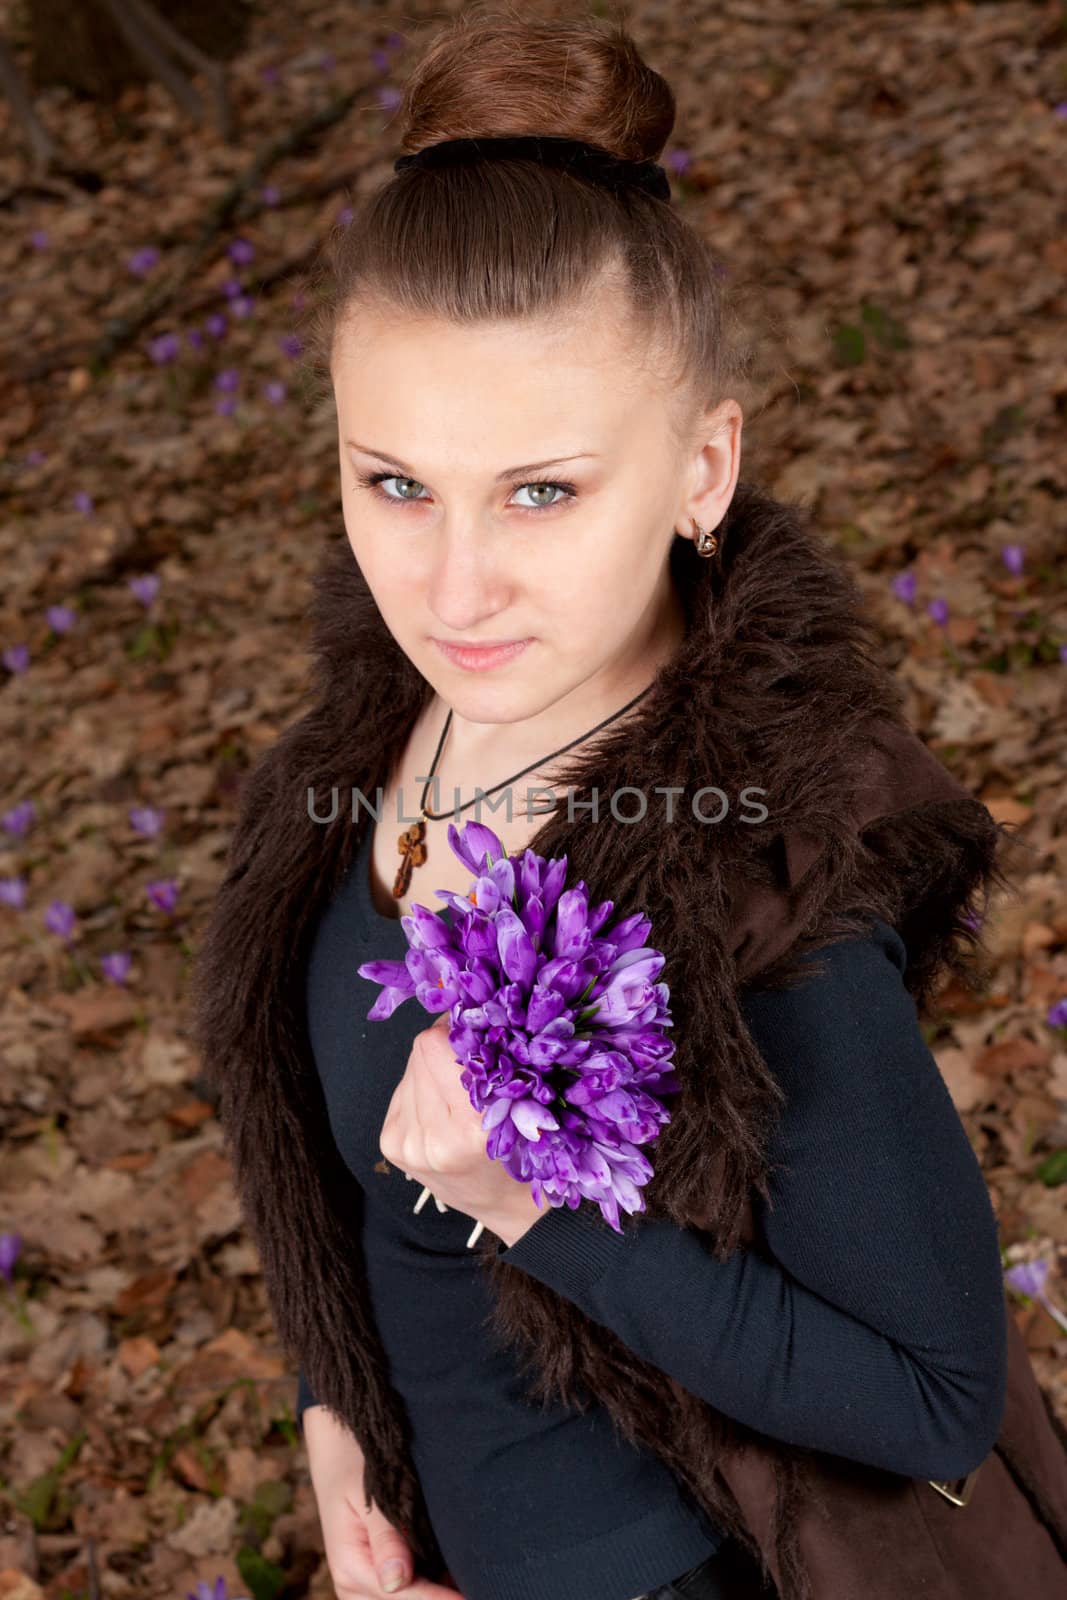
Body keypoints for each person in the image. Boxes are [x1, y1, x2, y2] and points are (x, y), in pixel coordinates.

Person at [191, 5, 1067, 1599]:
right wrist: (336, 1414)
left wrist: (536, 1205)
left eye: (544, 489)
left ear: (703, 471)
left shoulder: (769, 880)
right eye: (396, 482)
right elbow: (351, 1202)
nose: (453, 585)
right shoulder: (351, 770)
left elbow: (938, 1401)